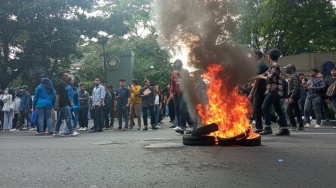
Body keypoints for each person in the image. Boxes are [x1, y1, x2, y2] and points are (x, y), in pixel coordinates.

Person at [255, 48, 290, 136]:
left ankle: (268, 128)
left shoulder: (275, 65)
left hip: (274, 90)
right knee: (278, 109)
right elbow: (265, 73)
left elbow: (269, 77)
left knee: (265, 107)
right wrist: (258, 76)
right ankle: (285, 129)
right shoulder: (273, 65)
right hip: (275, 90)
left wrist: (261, 77)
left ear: (269, 56)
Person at [170, 59, 194, 134]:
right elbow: (172, 84)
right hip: (177, 94)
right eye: (175, 63)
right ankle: (191, 125)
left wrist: (182, 76)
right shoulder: (173, 73)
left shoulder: (185, 71)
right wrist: (171, 92)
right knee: (182, 110)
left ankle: (182, 126)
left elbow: (189, 81)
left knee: (182, 108)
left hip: (185, 92)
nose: (177, 65)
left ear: (181, 64)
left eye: (178, 63)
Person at [248, 50, 269, 133]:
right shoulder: (261, 65)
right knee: (261, 108)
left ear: (257, 56)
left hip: (261, 89)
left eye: (253, 55)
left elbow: (258, 79)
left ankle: (259, 127)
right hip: (263, 89)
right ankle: (276, 119)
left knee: (256, 108)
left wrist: (251, 93)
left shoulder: (260, 65)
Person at [53, 71, 79, 137]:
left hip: (66, 103)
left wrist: (69, 101)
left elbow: (66, 95)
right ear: (61, 77)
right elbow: (58, 94)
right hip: (62, 103)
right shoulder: (60, 85)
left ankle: (56, 131)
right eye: (65, 75)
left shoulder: (66, 85)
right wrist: (57, 104)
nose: (67, 77)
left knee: (60, 118)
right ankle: (71, 131)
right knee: (68, 117)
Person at [283, 64, 304, 131]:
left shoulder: (294, 76)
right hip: (292, 94)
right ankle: (301, 125)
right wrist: (288, 97)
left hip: (294, 94)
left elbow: (295, 88)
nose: (286, 70)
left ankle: (294, 125)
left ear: (291, 69)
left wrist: (291, 97)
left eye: (287, 68)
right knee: (297, 110)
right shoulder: (291, 76)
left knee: (288, 110)